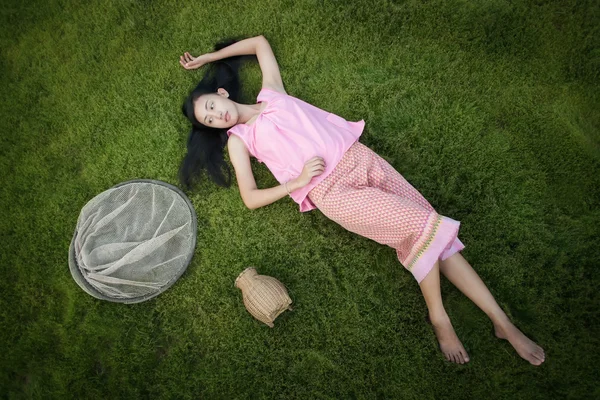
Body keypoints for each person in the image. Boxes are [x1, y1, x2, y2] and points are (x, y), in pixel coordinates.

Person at [178, 35, 545, 365]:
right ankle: (439, 317)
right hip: (333, 192)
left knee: (441, 241)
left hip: (363, 159)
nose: (216, 116)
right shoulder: (242, 141)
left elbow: (259, 43)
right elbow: (251, 198)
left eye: (210, 106)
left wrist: (209, 58)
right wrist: (297, 182)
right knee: (424, 226)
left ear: (221, 94)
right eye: (209, 122)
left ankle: (502, 322)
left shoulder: (272, 93)